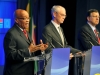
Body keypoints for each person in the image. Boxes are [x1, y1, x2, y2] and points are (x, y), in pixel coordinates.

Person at [3, 9, 48, 75]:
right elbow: (10, 55)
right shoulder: (11, 34)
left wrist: (39, 49)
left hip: (28, 71)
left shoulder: (26, 32)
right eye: (24, 18)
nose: (27, 21)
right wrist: (28, 50)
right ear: (16, 20)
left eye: (28, 18)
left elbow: (30, 53)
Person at [42, 5, 83, 75]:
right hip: (53, 66)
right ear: (54, 14)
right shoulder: (47, 29)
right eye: (62, 15)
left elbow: (65, 46)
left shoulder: (60, 29)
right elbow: (48, 49)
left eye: (65, 15)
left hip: (62, 66)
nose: (64, 17)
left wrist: (79, 52)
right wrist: (64, 55)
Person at [77, 9, 100, 75]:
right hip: (88, 61)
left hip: (96, 61)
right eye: (95, 16)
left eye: (98, 16)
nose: (97, 18)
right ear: (88, 18)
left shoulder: (96, 31)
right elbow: (88, 46)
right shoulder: (84, 29)